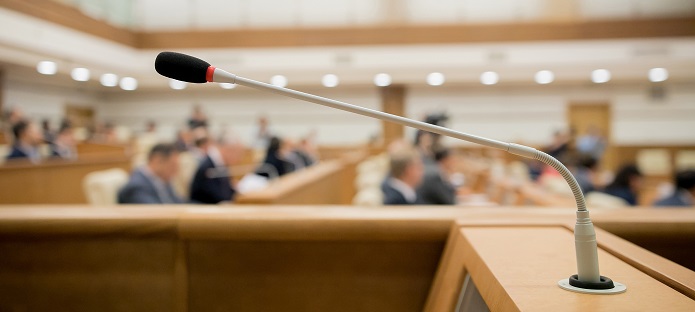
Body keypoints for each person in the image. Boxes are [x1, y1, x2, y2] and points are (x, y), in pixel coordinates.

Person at [117, 143, 183, 204]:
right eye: (173, 166)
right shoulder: (137, 187)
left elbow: (176, 201)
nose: (176, 171)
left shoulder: (162, 180)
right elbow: (156, 213)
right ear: (157, 161)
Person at [189, 136, 244, 204]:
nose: (239, 159)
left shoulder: (220, 163)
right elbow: (218, 196)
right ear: (228, 150)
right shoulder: (209, 167)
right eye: (238, 154)